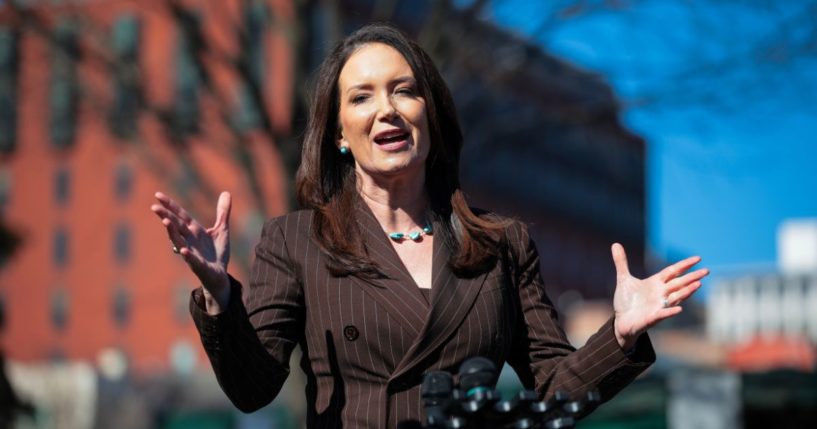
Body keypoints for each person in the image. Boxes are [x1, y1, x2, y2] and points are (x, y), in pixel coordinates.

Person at [150, 23, 708, 428]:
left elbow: (555, 390)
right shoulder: (296, 242)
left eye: (404, 90)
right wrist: (221, 296)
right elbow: (253, 389)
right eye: (361, 97)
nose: (386, 110)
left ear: (430, 116)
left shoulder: (500, 243)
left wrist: (621, 334)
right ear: (340, 133)